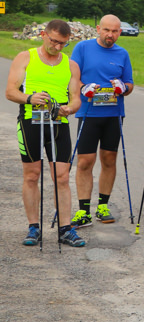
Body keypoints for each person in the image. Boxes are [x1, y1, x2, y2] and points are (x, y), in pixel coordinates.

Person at [5, 19, 85, 247]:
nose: (58, 47)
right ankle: (33, 227)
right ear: (43, 35)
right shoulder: (26, 57)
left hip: (58, 123)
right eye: (54, 42)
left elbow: (76, 98)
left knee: (61, 176)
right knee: (32, 175)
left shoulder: (71, 65)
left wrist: (70, 108)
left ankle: (65, 228)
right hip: (31, 121)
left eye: (63, 44)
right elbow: (10, 91)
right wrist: (30, 98)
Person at [69, 15, 134, 228]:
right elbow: (73, 77)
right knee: (86, 161)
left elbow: (130, 84)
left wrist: (123, 88)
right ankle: (83, 210)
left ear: (120, 32)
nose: (110, 35)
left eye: (114, 31)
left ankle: (103, 206)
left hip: (113, 114)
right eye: (106, 30)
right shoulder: (82, 48)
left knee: (108, 159)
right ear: (98, 28)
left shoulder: (122, 53)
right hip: (89, 113)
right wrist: (82, 88)